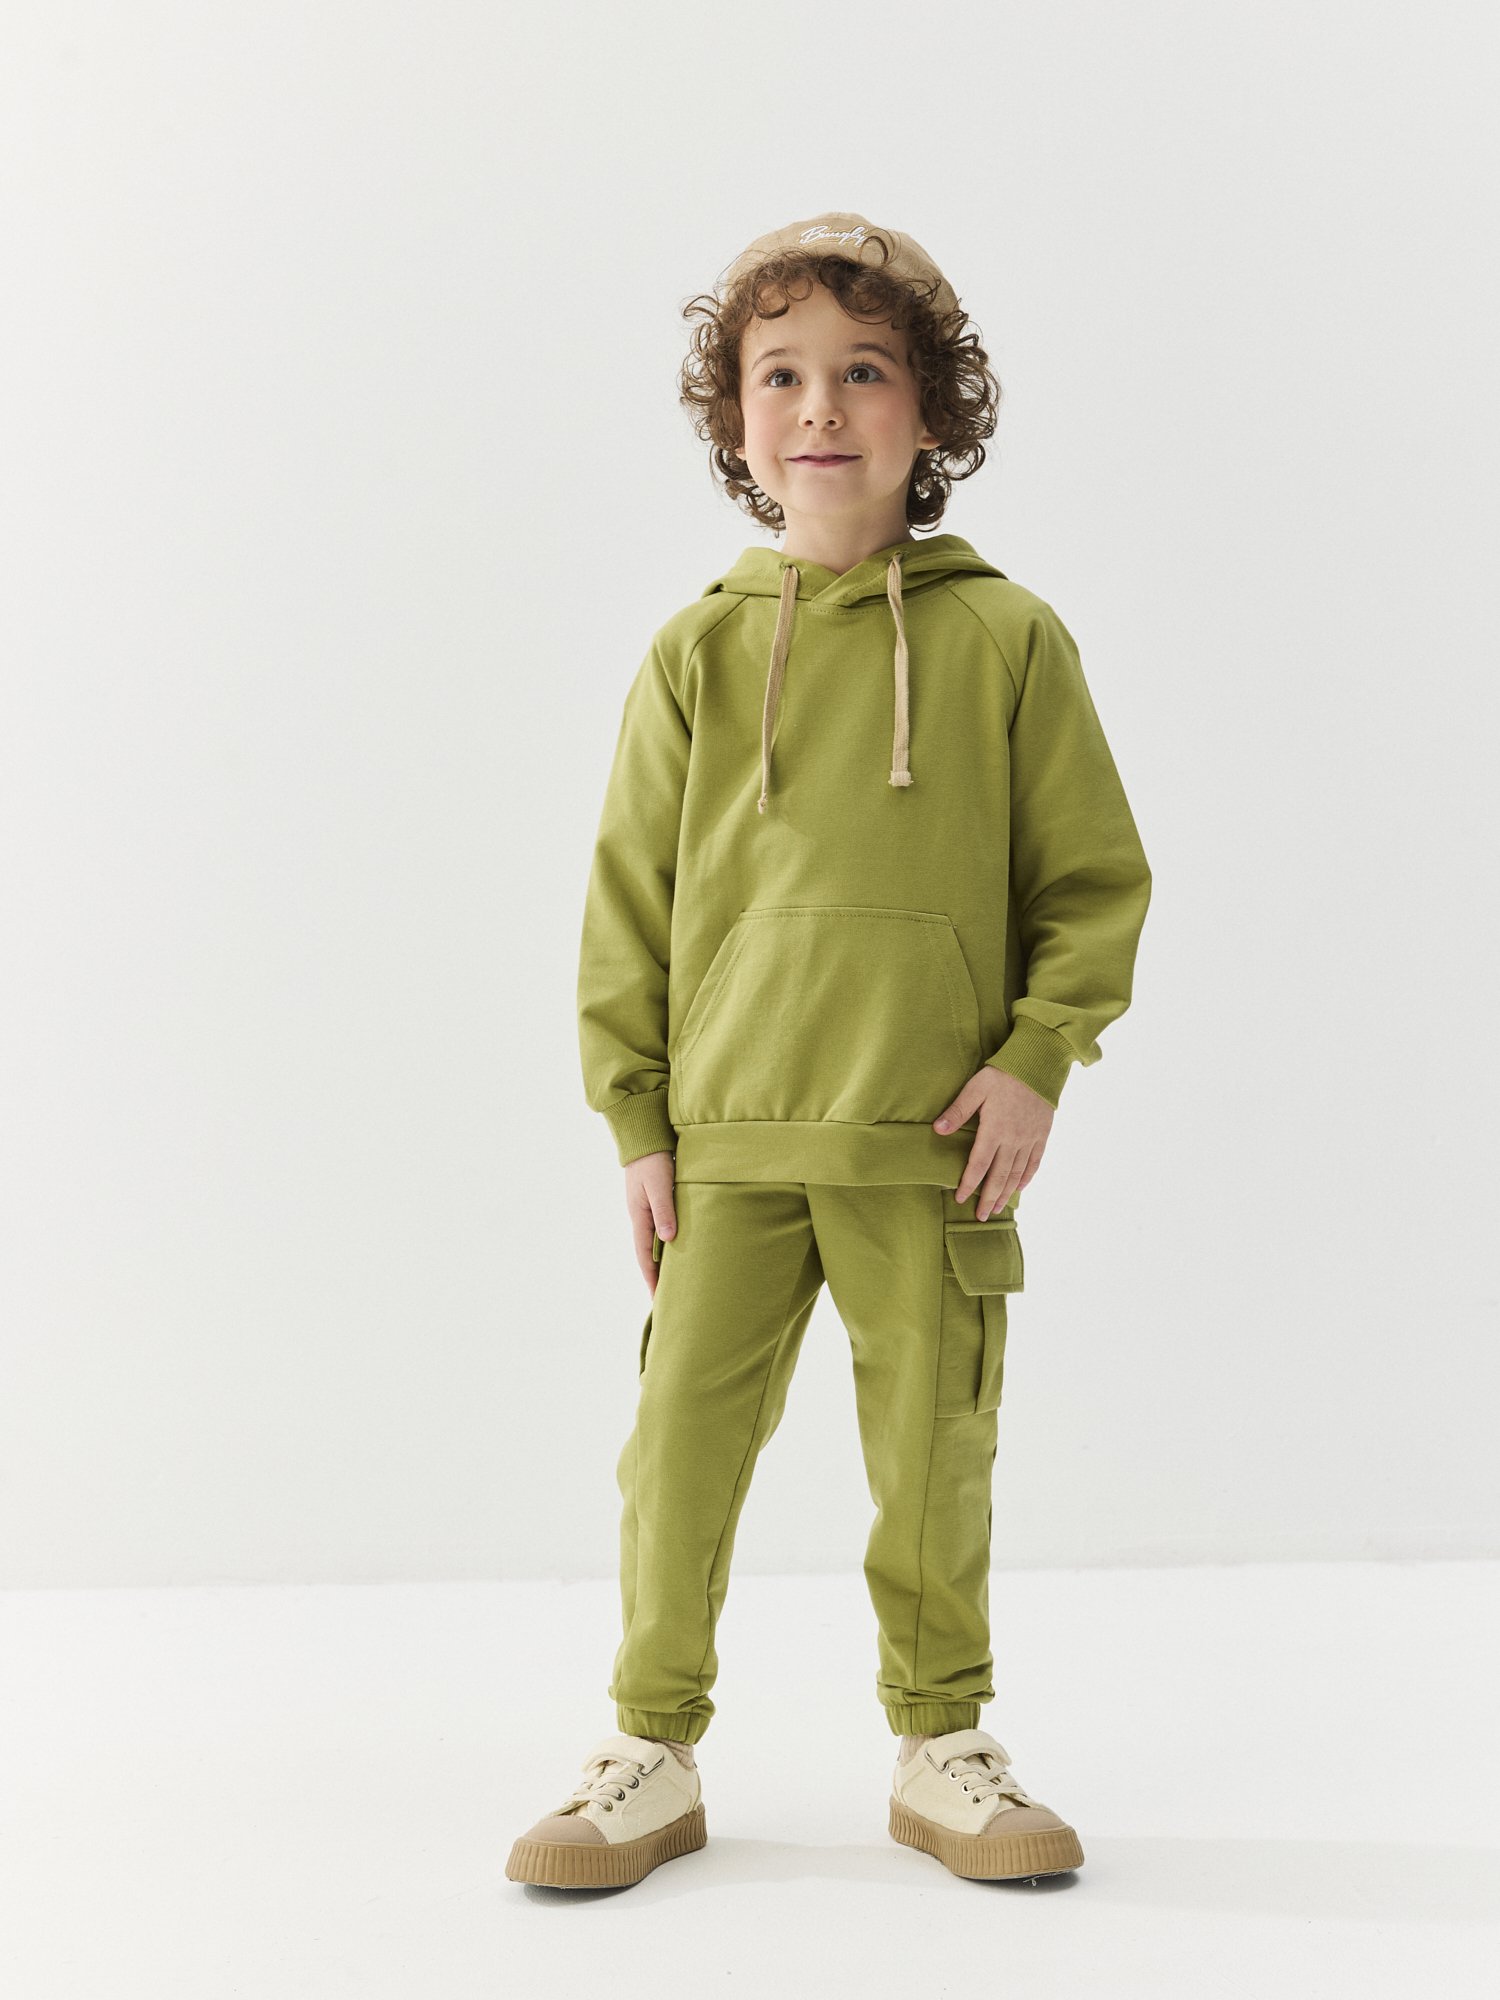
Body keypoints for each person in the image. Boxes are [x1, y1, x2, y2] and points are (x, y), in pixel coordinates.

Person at [505, 212, 1152, 1891]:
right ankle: (648, 1749)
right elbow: (629, 906)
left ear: (932, 411)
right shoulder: (699, 651)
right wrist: (637, 1122)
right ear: (736, 417)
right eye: (779, 373)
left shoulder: (1008, 640)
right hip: (728, 1138)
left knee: (935, 1448)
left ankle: (944, 1746)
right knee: (678, 1449)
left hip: (931, 1141)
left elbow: (1091, 881)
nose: (820, 406)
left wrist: (1039, 1057)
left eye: (866, 371)